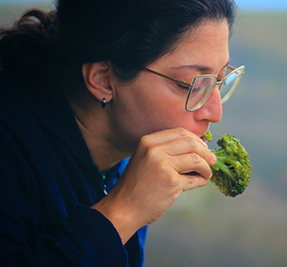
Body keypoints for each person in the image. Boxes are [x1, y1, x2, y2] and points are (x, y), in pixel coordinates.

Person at [0, 0, 244, 265]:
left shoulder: (131, 155)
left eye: (219, 80)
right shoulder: (9, 146)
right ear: (103, 79)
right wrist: (123, 212)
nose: (215, 112)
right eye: (190, 85)